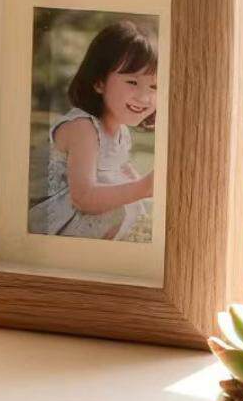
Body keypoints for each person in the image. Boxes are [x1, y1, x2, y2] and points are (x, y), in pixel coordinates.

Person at [29, 19, 157, 240]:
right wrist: (142, 187)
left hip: (84, 216)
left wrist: (149, 188)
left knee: (132, 204)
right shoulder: (83, 128)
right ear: (99, 82)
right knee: (118, 208)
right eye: (132, 82)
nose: (144, 97)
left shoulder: (121, 132)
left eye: (154, 86)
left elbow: (119, 167)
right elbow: (84, 198)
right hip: (54, 223)